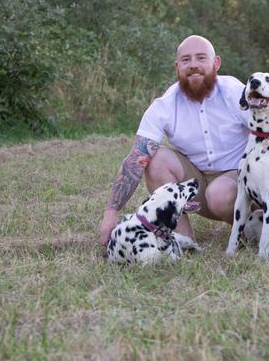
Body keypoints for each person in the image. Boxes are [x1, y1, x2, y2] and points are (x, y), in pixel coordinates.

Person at [99, 35, 249, 246]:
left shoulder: (236, 92)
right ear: (177, 67)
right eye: (186, 60)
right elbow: (136, 158)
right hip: (197, 186)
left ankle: (253, 226)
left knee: (219, 192)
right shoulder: (165, 105)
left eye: (201, 58)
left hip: (242, 182)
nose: (193, 65)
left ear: (216, 63)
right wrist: (111, 211)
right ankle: (183, 239)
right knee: (154, 158)